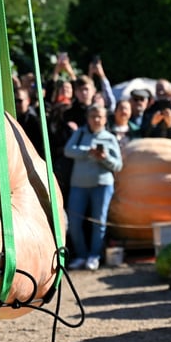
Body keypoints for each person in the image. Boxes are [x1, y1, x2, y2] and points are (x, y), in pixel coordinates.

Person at [63, 105, 122, 271]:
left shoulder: (110, 138)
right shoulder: (80, 133)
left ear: (105, 119)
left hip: (102, 184)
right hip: (78, 185)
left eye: (100, 117)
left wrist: (104, 158)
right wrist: (87, 151)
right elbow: (68, 151)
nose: (96, 120)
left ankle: (94, 255)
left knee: (99, 222)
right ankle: (81, 255)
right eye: (93, 116)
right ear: (88, 118)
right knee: (74, 223)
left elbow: (118, 165)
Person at [15, 87, 44, 157]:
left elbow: (41, 146)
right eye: (15, 101)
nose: (17, 104)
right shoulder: (14, 118)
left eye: (19, 101)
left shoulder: (35, 121)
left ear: (28, 101)